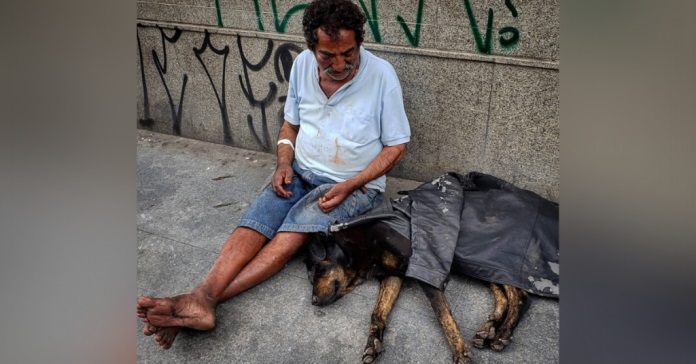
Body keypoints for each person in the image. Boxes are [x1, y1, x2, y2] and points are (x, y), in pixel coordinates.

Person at [137, 0, 411, 349]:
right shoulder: (301, 66)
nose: (340, 64)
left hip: (354, 186)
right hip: (299, 170)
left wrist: (351, 184)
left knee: (291, 232)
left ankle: (200, 301)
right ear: (311, 47)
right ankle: (199, 299)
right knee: (257, 219)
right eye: (328, 55)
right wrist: (283, 163)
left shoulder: (382, 75)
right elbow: (290, 124)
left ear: (359, 43)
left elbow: (396, 147)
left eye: (349, 53)